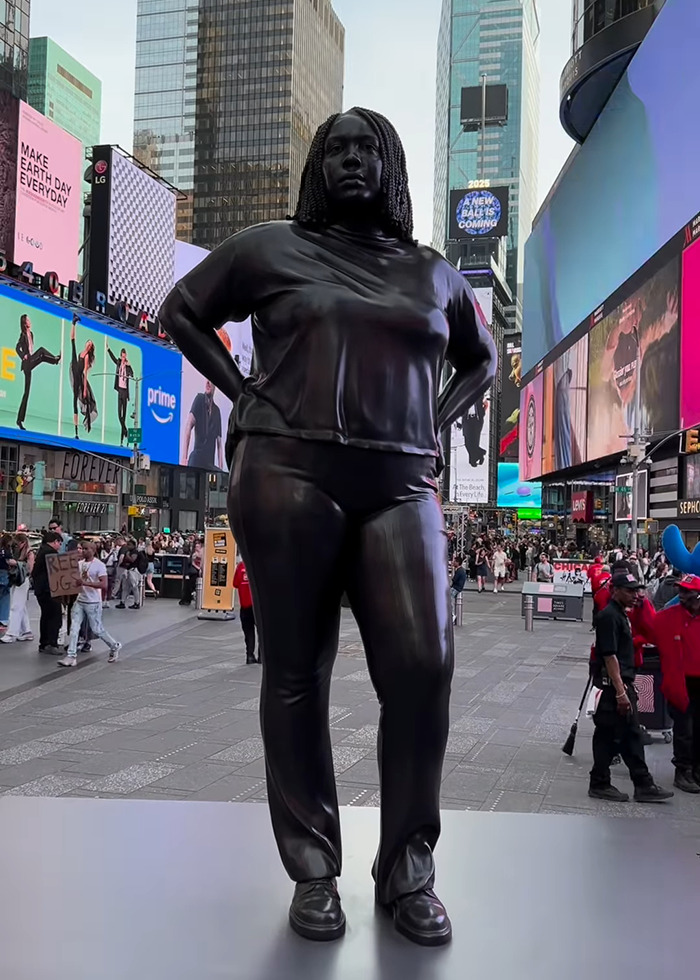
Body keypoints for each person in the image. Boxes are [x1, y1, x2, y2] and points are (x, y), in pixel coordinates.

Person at [160, 107, 497, 946]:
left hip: (399, 485)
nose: (352, 160)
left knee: (424, 665)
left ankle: (406, 867)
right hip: (287, 475)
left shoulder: (433, 274)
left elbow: (483, 357)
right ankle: (314, 869)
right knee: (295, 670)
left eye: (368, 148)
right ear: (318, 167)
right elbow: (182, 309)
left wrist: (434, 423)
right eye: (336, 149)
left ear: (391, 168)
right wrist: (242, 395)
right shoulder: (270, 246)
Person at [588, 571, 673, 803]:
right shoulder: (609, 617)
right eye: (630, 590)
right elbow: (609, 656)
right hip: (613, 687)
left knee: (624, 735)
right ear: (615, 590)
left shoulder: (622, 614)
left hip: (620, 685)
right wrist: (620, 692)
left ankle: (634, 782)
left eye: (637, 590)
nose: (636, 595)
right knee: (618, 734)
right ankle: (611, 782)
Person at [652, 574, 700, 793]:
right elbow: (645, 629)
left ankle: (696, 770)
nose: (681, 596)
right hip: (681, 683)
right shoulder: (668, 617)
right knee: (684, 729)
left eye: (687, 592)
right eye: (681, 591)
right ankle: (683, 771)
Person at [58, 541, 121, 668]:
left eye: (86, 549)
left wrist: (84, 583)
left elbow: (104, 584)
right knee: (74, 628)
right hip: (80, 601)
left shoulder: (99, 565)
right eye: (81, 548)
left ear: (93, 550)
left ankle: (114, 645)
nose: (83, 551)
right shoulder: (80, 564)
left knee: (97, 629)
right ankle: (71, 655)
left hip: (93, 602)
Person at [15, 313, 61, 430]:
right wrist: (23, 355)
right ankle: (19, 420)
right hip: (27, 363)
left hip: (31, 360)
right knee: (41, 352)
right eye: (28, 320)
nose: (30, 321)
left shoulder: (31, 334)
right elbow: (17, 347)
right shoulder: (23, 335)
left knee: (41, 357)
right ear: (25, 323)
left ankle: (55, 360)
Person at [32, 531, 64, 654]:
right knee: (54, 616)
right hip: (49, 589)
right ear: (55, 542)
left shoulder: (41, 550)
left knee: (46, 616)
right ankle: (51, 643)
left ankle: (44, 643)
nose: (59, 546)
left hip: (41, 589)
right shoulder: (51, 553)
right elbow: (57, 572)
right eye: (59, 543)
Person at [181, 380, 224, 470]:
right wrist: (184, 458)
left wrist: (221, 469)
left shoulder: (216, 411)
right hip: (197, 458)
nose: (207, 382)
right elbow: (188, 426)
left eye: (210, 380)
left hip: (209, 463)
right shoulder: (199, 399)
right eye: (206, 379)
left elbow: (219, 444)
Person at [0, 532, 34, 643]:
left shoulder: (29, 553)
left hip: (23, 580)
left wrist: (16, 563)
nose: (15, 546)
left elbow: (29, 568)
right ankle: (26, 631)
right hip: (15, 579)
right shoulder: (17, 552)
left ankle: (12, 633)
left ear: (23, 542)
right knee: (21, 606)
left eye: (17, 543)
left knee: (16, 606)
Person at [69, 315, 97, 438]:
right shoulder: (80, 352)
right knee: (72, 343)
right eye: (88, 343)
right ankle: (73, 323)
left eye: (90, 345)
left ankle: (76, 430)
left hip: (78, 378)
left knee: (76, 401)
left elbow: (85, 373)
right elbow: (72, 339)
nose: (88, 345)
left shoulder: (86, 357)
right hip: (73, 368)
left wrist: (85, 389)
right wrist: (74, 326)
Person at [107, 343, 134, 445]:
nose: (123, 358)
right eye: (122, 356)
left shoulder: (127, 366)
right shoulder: (118, 363)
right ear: (121, 356)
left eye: (124, 356)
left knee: (124, 415)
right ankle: (125, 430)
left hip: (125, 392)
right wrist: (108, 349)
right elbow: (113, 358)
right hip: (120, 391)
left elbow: (132, 374)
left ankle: (122, 440)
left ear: (125, 356)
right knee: (119, 415)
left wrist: (130, 365)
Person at [234, 559, 258, 664]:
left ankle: (250, 655)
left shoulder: (240, 566)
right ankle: (262, 657)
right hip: (258, 606)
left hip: (245, 606)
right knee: (262, 632)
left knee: (248, 632)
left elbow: (235, 583)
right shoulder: (259, 565)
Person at [450, 559, 467, 624]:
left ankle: (452, 614)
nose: (453, 563)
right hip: (458, 588)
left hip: (456, 588)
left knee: (449, 600)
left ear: (458, 562)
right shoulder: (461, 570)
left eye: (455, 562)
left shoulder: (459, 571)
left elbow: (454, 579)